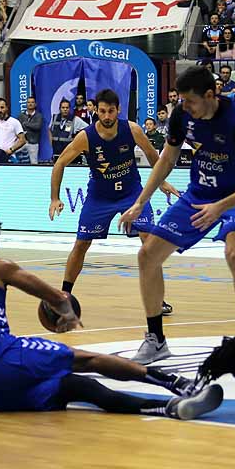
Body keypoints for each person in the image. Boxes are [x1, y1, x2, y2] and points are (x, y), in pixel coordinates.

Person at [0, 213, 224, 419]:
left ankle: (167, 408)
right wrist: (68, 314)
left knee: (78, 387)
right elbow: (57, 297)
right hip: (2, 356)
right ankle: (179, 383)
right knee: (84, 359)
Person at [121, 66, 235, 361]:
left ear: (210, 95)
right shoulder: (182, 116)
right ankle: (156, 340)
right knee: (147, 256)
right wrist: (141, 201)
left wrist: (220, 207)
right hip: (198, 194)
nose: (184, 107)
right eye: (181, 100)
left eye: (189, 101)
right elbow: (167, 158)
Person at [48, 89, 179, 313]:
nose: (107, 116)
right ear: (95, 111)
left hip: (131, 194)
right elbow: (59, 163)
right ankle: (64, 296)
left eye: (111, 111)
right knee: (81, 245)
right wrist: (54, 198)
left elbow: (152, 154)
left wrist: (161, 182)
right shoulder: (86, 137)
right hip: (100, 197)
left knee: (149, 242)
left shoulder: (133, 129)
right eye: (102, 111)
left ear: (118, 110)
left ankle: (158, 300)